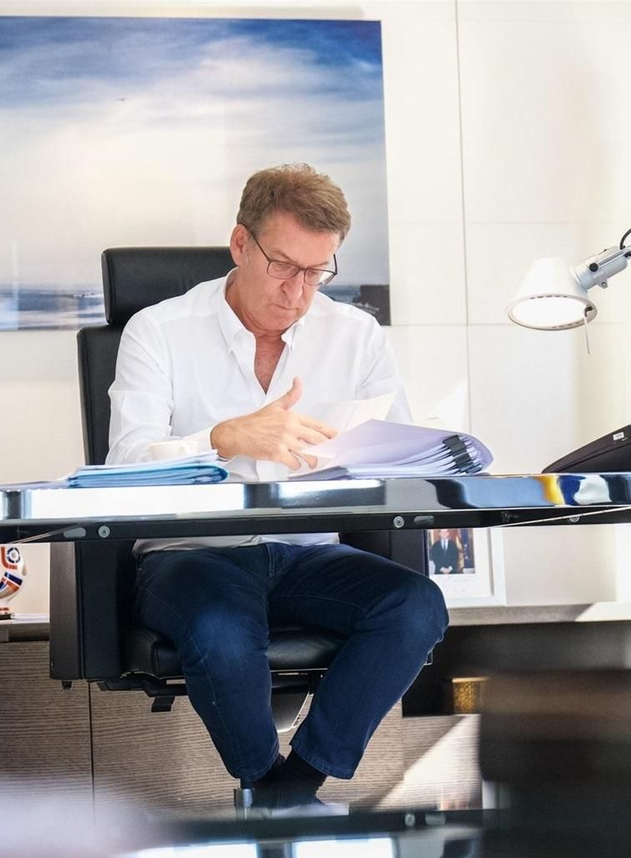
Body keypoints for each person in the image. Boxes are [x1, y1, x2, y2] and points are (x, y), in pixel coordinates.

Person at [106, 164, 449, 810]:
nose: (298, 292)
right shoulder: (159, 331)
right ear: (241, 245)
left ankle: (289, 792)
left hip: (306, 552)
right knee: (222, 634)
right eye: (284, 266)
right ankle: (276, 796)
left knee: (418, 607)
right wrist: (222, 439)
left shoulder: (357, 338)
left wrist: (404, 457)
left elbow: (402, 457)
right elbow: (124, 462)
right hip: (192, 553)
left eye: (318, 273)